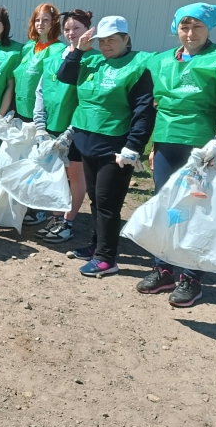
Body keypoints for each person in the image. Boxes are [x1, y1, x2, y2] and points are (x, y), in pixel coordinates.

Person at [136, 3, 216, 307]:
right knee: (169, 210)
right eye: (184, 27)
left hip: (204, 150)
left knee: (197, 213)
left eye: (197, 27)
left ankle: (191, 276)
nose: (190, 33)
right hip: (167, 147)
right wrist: (155, 146)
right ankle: (164, 268)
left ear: (208, 28)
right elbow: (159, 105)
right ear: (176, 28)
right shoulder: (161, 61)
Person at [58, 16, 156, 277]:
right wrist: (79, 49)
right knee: (95, 198)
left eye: (112, 40)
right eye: (102, 40)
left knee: (107, 201)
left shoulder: (137, 65)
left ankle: (107, 257)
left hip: (116, 144)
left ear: (126, 39)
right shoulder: (92, 60)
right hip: (87, 140)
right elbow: (64, 75)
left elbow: (143, 111)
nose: (106, 45)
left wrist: (134, 146)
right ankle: (97, 245)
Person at [33, 10, 99, 244]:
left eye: (77, 28)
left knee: (74, 176)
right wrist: (40, 126)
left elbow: (87, 101)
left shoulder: (95, 61)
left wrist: (70, 132)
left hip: (76, 131)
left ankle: (67, 222)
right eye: (68, 29)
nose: (71, 33)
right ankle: (55, 217)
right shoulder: (54, 58)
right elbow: (40, 92)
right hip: (51, 128)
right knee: (56, 177)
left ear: (89, 31)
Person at [12, 2, 67, 226]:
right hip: (21, 114)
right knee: (25, 162)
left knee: (41, 166)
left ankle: (41, 210)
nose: (41, 24)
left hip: (42, 119)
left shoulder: (58, 50)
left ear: (54, 23)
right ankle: (25, 204)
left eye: (46, 19)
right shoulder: (28, 48)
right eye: (37, 19)